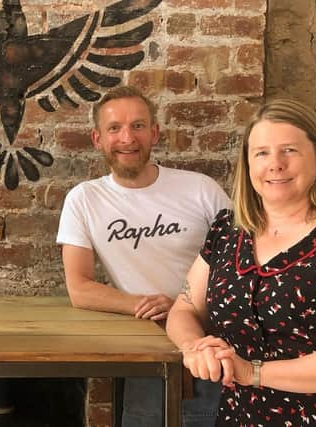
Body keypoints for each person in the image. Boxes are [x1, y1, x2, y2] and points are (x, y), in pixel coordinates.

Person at [56, 85, 230, 427]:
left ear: (154, 133)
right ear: (97, 139)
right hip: (147, 349)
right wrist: (148, 305)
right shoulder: (84, 199)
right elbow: (79, 288)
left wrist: (183, 307)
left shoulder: (201, 189)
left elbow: (241, 265)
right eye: (114, 128)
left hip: (215, 339)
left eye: (137, 126)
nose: (127, 138)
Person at [166, 98, 316, 426]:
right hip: (238, 417)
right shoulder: (228, 230)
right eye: (261, 153)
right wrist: (194, 346)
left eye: (289, 150)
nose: (275, 164)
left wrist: (252, 372)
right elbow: (184, 308)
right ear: (247, 163)